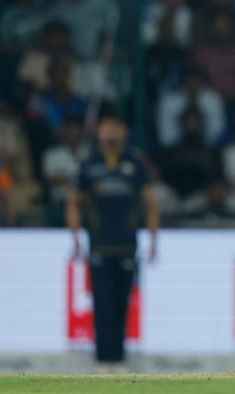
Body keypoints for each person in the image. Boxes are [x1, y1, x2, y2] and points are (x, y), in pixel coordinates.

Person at [65, 113, 159, 370]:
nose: (110, 132)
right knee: (101, 301)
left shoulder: (135, 164)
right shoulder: (90, 164)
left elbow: (150, 203)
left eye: (115, 127)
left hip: (127, 244)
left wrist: (153, 239)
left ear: (125, 131)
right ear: (98, 131)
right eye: (105, 127)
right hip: (99, 244)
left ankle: (118, 357)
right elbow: (73, 201)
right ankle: (102, 358)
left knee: (122, 301)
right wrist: (75, 236)